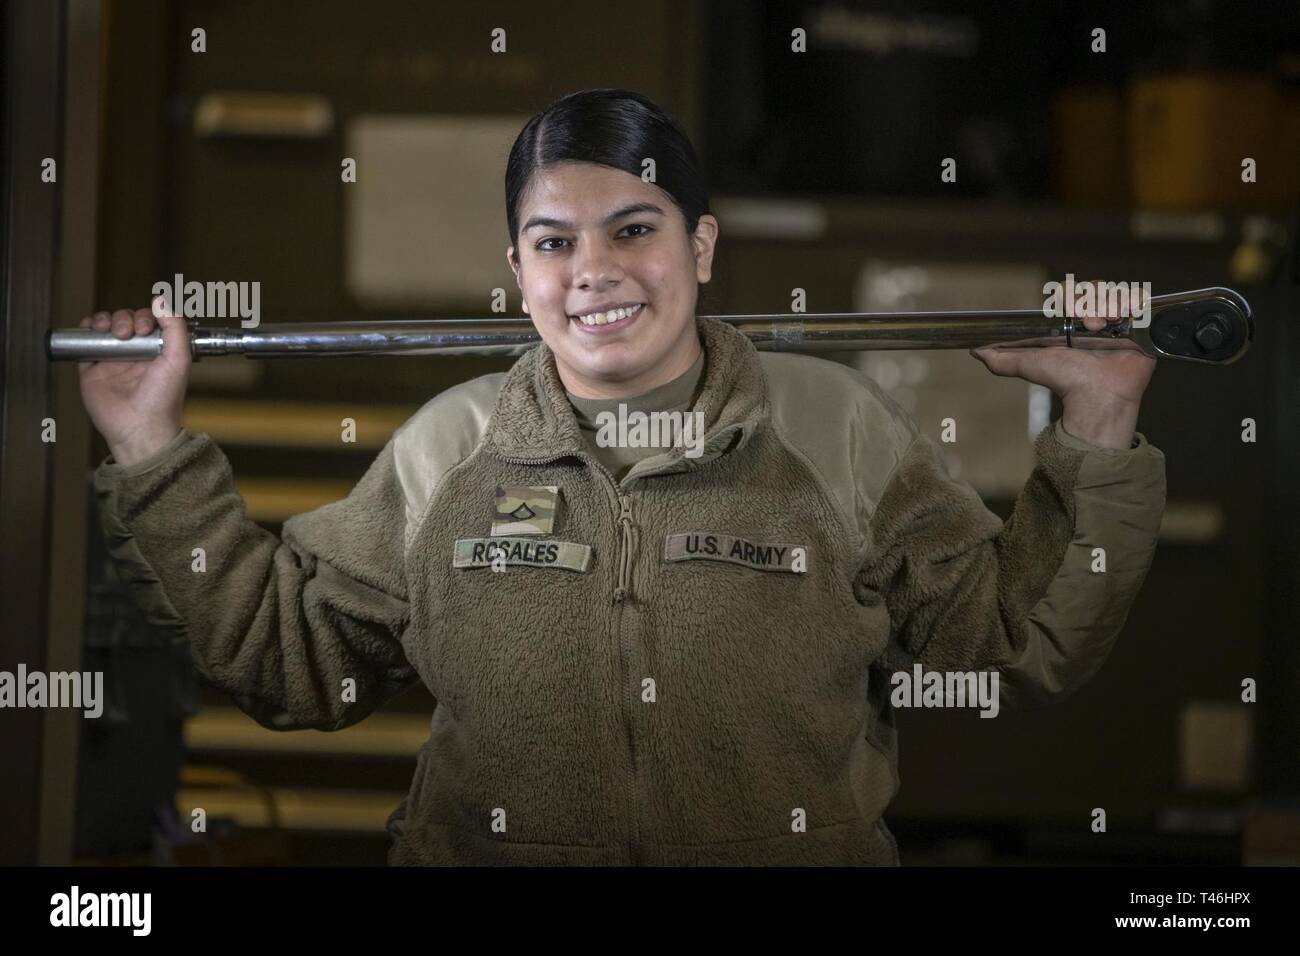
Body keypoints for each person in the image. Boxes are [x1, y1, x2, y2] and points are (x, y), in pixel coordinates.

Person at [79, 88, 1165, 866]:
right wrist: (149, 446)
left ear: (699, 246)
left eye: (632, 229)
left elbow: (1014, 640)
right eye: (552, 242)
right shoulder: (448, 445)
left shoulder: (836, 429)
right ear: (516, 272)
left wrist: (1100, 418)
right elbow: (288, 660)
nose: (592, 269)